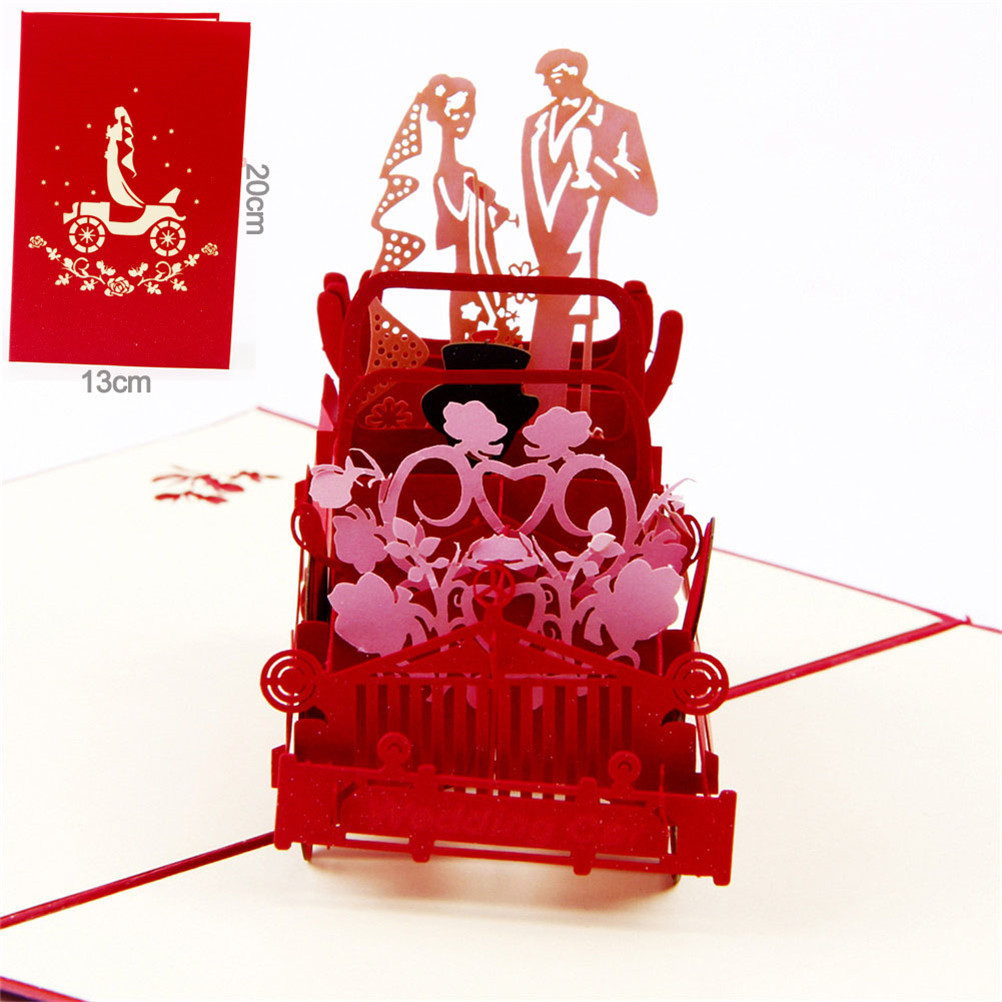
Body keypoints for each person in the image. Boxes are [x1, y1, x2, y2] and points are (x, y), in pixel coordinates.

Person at [522, 49, 657, 404]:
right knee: (541, 371)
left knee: (574, 371)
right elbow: (533, 193)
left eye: (552, 75)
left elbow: (646, 199)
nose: (547, 84)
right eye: (545, 78)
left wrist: (597, 169)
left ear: (573, 72)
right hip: (544, 266)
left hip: (583, 255)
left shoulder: (617, 120)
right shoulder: (534, 125)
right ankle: (540, 413)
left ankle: (569, 416)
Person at [372, 75, 515, 340]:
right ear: (443, 114)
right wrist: (482, 205)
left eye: (469, 113)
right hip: (473, 275)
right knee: (476, 336)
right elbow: (458, 226)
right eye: (460, 112)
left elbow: (471, 229)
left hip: (482, 269)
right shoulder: (451, 176)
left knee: (487, 336)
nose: (466, 119)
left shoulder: (463, 175)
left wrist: (491, 213)